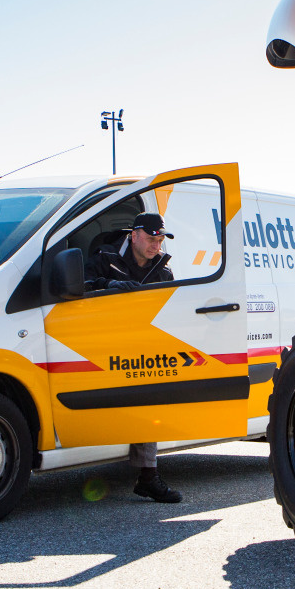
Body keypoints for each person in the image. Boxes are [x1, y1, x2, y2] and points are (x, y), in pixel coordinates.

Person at [84, 211, 183, 504]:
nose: (156, 245)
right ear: (134, 235)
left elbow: (171, 313)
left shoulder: (163, 270)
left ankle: (148, 476)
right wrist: (108, 286)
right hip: (97, 345)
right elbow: (78, 287)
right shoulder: (104, 256)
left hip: (140, 349)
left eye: (160, 240)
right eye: (151, 239)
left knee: (148, 399)